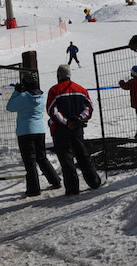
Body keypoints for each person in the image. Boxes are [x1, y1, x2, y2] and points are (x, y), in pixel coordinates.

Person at [46, 64, 101, 195]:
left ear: (58, 76)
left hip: (60, 130)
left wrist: (66, 122)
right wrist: (78, 120)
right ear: (70, 75)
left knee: (66, 159)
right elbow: (89, 108)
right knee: (83, 156)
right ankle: (94, 181)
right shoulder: (80, 89)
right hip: (77, 129)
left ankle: (72, 188)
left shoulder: (54, 90)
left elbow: (52, 110)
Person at [5, 70, 62, 196]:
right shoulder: (41, 95)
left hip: (25, 130)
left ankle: (34, 189)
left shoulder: (24, 96)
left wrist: (16, 92)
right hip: (39, 129)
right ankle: (55, 180)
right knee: (41, 157)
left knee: (29, 160)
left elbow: (9, 107)